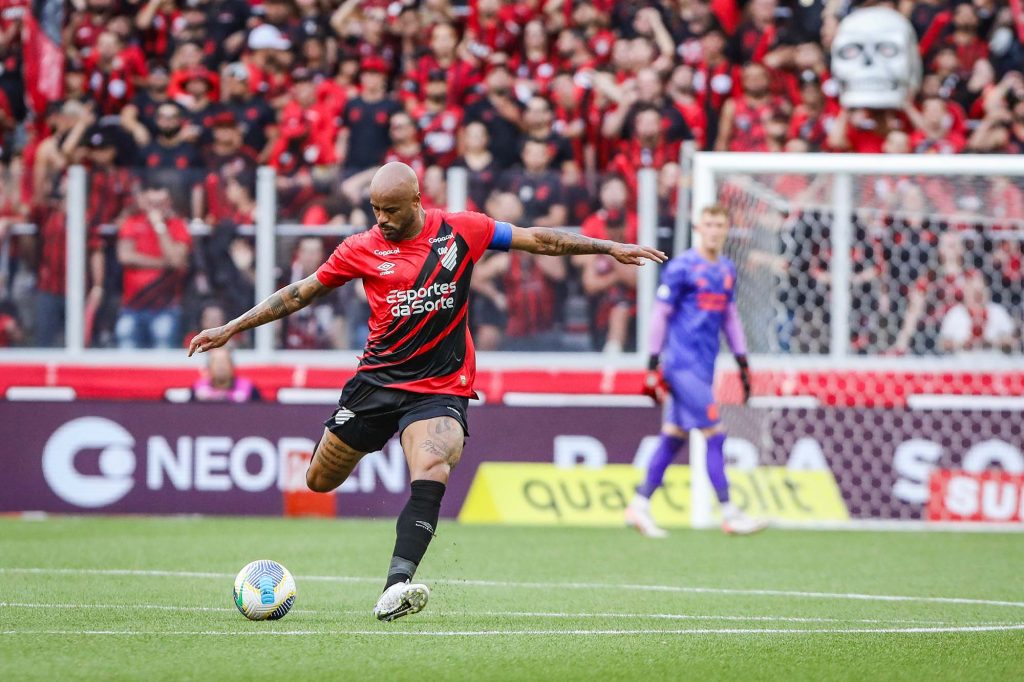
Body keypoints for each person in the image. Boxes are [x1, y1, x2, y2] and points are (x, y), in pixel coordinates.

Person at [188, 162, 665, 621]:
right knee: (319, 481)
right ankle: (358, 457)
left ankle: (397, 584)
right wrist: (232, 327)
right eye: (376, 210)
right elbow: (298, 293)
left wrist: (606, 247)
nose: (383, 220)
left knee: (434, 460)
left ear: (417, 200)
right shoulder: (361, 247)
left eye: (391, 210)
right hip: (375, 383)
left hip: (440, 386)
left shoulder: (462, 230)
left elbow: (537, 239)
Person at [626, 204, 766, 538]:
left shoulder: (727, 269)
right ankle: (730, 512)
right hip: (680, 364)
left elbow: (730, 317)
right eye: (709, 224)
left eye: (720, 224)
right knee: (714, 434)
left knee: (675, 436)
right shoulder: (683, 267)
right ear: (697, 227)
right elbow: (660, 314)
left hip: (705, 366)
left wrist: (743, 361)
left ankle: (639, 505)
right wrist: (651, 363)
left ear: (727, 228)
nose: (715, 230)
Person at [190, 347, 261, 402]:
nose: (221, 366)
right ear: (209, 367)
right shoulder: (197, 390)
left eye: (224, 362)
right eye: (216, 362)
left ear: (232, 366)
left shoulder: (250, 389)